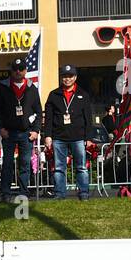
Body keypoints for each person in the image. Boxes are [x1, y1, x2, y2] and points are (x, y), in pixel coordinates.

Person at [0, 57, 42, 202]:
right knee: (7, 164)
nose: (18, 72)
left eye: (21, 69)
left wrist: (36, 130)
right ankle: (6, 193)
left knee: (25, 164)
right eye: (15, 69)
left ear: (26, 71)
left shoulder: (32, 88)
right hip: (9, 133)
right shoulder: (2, 87)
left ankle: (23, 193)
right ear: (11, 71)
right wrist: (1, 128)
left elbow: (39, 112)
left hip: (26, 133)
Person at [42, 64, 94, 201]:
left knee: (81, 167)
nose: (67, 79)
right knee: (59, 168)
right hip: (59, 137)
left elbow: (89, 118)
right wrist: (47, 136)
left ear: (75, 77)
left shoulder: (83, 94)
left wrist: (88, 138)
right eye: (64, 76)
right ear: (61, 78)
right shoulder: (53, 95)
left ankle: (84, 194)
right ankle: (60, 194)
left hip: (78, 137)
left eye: (70, 76)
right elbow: (48, 118)